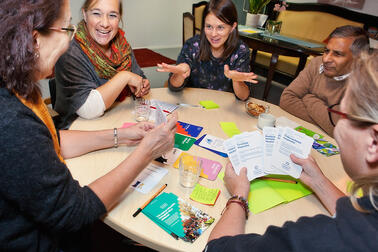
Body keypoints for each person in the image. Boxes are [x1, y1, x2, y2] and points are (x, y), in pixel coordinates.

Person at [0, 0, 176, 251]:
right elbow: (75, 212)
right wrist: (145, 152)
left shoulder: (17, 88)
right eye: (67, 29)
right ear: (35, 39)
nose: (70, 41)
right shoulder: (11, 122)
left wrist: (122, 135)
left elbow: (49, 140)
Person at [205, 51, 378, 251]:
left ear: (373, 143)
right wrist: (318, 181)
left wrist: (239, 196)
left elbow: (217, 248)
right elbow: (359, 218)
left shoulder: (316, 239)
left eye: (339, 115)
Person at [53, 0, 150, 129]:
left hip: (115, 120)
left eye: (112, 15)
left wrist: (142, 86)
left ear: (119, 18)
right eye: (97, 13)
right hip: (77, 130)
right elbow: (88, 110)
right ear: (85, 14)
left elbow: (138, 77)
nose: (105, 23)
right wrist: (124, 77)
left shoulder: (122, 45)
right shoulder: (69, 51)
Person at [157, 0, 258, 101]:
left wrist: (237, 81)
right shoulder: (193, 45)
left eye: (220, 27)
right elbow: (173, 87)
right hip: (194, 104)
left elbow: (243, 96)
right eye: (209, 26)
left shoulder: (241, 50)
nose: (213, 34)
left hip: (224, 107)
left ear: (232, 27)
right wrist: (179, 74)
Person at [279, 25, 369, 137]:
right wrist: (325, 119)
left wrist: (308, 98)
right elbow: (286, 99)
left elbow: (340, 131)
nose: (326, 59)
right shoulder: (316, 63)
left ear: (358, 59)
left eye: (337, 54)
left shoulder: (365, 83)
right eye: (326, 51)